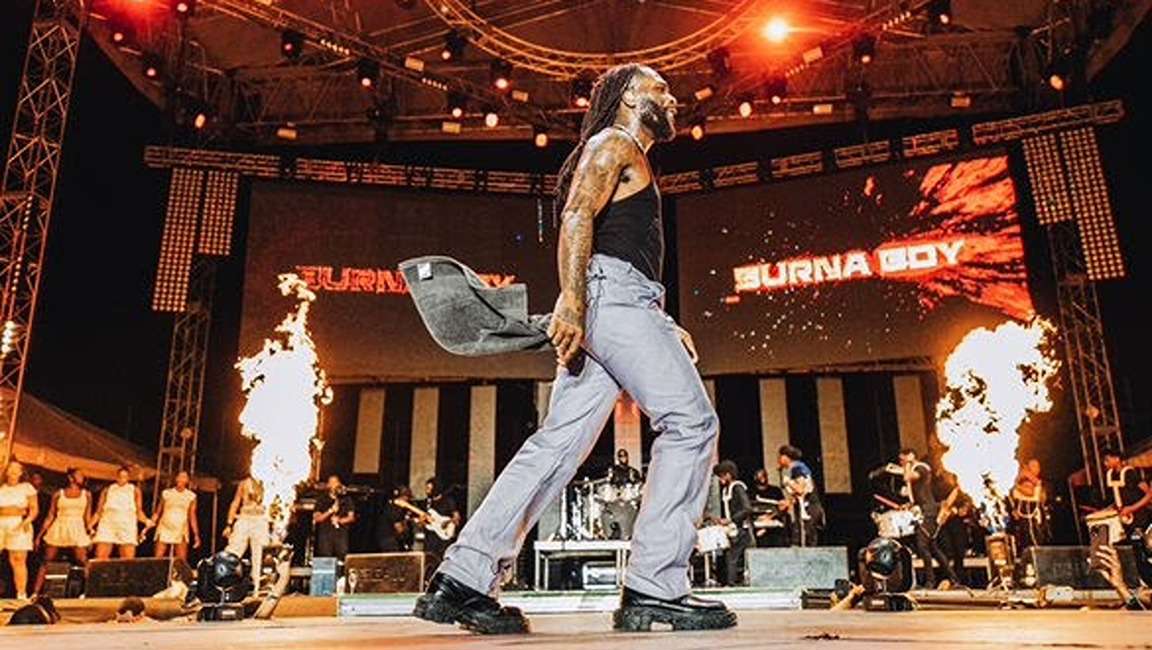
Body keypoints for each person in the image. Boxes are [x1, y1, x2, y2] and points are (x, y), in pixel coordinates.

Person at [414, 64, 735, 634]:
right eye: (661, 90)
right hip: (610, 301)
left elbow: (616, 249)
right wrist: (574, 302)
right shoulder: (615, 142)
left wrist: (654, 318)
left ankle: (464, 579)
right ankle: (656, 586)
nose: (674, 100)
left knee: (557, 444)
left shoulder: (627, 153)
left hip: (616, 302)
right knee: (692, 424)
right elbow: (577, 214)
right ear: (630, 96)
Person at [898, 448, 960, 589]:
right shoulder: (916, 468)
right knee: (933, 548)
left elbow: (908, 477)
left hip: (929, 511)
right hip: (923, 510)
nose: (901, 462)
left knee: (923, 546)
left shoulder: (921, 468)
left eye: (902, 459)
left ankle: (930, 581)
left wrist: (907, 465)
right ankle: (953, 578)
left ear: (911, 456)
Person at [32, 467, 92, 595]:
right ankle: (35, 592)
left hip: (77, 526)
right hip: (60, 526)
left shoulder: (86, 494)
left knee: (82, 559)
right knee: (47, 560)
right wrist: (39, 535)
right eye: (79, 475)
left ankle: (90, 591)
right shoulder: (58, 494)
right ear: (70, 478)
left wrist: (91, 532)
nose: (82, 478)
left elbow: (87, 517)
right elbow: (50, 515)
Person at [92, 466, 151, 560]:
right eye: (120, 476)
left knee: (127, 558)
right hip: (108, 524)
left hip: (127, 525)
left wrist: (146, 520)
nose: (122, 479)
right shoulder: (107, 490)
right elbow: (98, 512)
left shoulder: (135, 490)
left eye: (125, 476)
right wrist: (90, 525)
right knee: (101, 556)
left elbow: (139, 511)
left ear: (128, 478)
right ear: (116, 477)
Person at [0, 460, 39, 600]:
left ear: (21, 473)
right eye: (11, 468)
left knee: (18, 559)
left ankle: (21, 594)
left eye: (17, 469)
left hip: (19, 523)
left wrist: (27, 521)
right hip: (1, 522)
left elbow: (34, 508)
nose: (13, 471)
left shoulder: (27, 487)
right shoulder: (1, 487)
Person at [224, 475, 270, 588]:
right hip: (245, 518)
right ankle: (225, 579)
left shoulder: (269, 482)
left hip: (260, 519)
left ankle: (257, 585)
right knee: (234, 549)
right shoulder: (244, 483)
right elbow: (236, 502)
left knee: (259, 553)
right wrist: (229, 524)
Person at [713, 461, 753, 587]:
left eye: (721, 476)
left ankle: (731, 583)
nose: (720, 480)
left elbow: (747, 508)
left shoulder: (737, 487)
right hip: (733, 528)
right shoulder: (726, 490)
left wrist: (731, 519)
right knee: (732, 556)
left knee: (732, 556)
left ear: (728, 475)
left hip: (741, 528)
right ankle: (732, 581)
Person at [778, 445, 823, 547]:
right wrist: (788, 502)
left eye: (780, 457)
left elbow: (800, 489)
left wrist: (788, 482)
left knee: (805, 540)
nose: (779, 460)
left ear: (785, 457)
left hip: (808, 508)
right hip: (804, 508)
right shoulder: (797, 469)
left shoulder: (798, 468)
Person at [1098, 448, 1152, 533]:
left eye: (1107, 460)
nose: (1105, 463)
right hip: (1126, 518)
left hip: (1140, 517)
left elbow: (1149, 495)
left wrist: (1132, 508)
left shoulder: (1129, 473)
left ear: (1117, 459)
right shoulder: (1111, 475)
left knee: (1138, 538)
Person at [153, 471, 200, 562]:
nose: (181, 479)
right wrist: (147, 527)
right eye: (179, 476)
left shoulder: (191, 496)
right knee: (157, 558)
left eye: (184, 477)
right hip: (165, 527)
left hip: (181, 528)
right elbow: (158, 512)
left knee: (181, 560)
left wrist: (196, 534)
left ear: (187, 480)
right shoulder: (166, 493)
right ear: (176, 479)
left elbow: (192, 516)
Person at [419, 478, 460, 573]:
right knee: (429, 563)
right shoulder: (426, 503)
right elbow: (423, 524)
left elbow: (457, 518)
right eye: (426, 488)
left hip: (443, 539)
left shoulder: (448, 501)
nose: (427, 491)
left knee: (442, 562)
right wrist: (421, 522)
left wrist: (448, 522)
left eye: (429, 488)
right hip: (430, 538)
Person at [314, 474, 355, 560]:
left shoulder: (347, 499)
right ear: (328, 485)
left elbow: (351, 517)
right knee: (325, 559)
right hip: (325, 535)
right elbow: (317, 518)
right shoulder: (321, 499)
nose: (334, 485)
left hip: (341, 535)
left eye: (336, 482)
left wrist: (340, 520)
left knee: (342, 557)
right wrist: (330, 511)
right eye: (332, 483)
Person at [1011, 458, 1050, 549]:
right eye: (1031, 466)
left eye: (1035, 466)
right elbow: (1015, 495)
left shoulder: (1038, 482)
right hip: (1024, 518)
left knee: (1037, 538)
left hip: (1035, 516)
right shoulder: (1022, 481)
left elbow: (1032, 493)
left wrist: (1018, 485)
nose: (1032, 468)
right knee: (1025, 539)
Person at [377, 485, 414, 552]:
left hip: (386, 540)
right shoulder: (395, 510)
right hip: (391, 542)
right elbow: (399, 529)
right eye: (407, 498)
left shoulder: (390, 507)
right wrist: (407, 522)